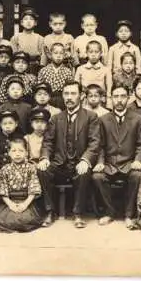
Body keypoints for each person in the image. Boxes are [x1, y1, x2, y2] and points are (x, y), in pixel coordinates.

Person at [37, 80, 100, 229]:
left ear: (81, 96)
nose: (69, 97)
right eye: (66, 94)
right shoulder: (56, 118)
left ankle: (77, 213)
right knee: (42, 170)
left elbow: (94, 143)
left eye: (73, 93)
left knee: (84, 172)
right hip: (60, 163)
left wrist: (86, 160)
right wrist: (45, 157)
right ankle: (50, 211)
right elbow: (48, 142)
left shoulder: (91, 116)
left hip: (79, 163)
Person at [92, 84, 141, 229]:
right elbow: (100, 145)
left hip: (129, 163)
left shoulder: (138, 119)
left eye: (123, 96)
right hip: (110, 164)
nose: (119, 100)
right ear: (110, 99)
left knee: (137, 175)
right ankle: (110, 212)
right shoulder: (103, 119)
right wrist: (100, 162)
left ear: (129, 97)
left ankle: (129, 215)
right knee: (97, 176)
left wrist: (138, 161)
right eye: (115, 96)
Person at [0, 137, 44, 233]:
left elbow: (34, 188)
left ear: (26, 153)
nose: (17, 154)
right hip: (10, 201)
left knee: (25, 219)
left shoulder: (31, 168)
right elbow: (2, 189)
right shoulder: (5, 169)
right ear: (9, 153)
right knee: (8, 219)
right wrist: (11, 204)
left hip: (26, 200)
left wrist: (25, 204)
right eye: (13, 151)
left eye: (21, 151)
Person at [74, 40, 112, 107]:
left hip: (101, 101)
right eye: (91, 52)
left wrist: (108, 101)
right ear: (86, 53)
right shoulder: (80, 69)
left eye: (96, 52)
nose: (93, 54)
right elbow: (76, 87)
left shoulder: (106, 70)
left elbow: (109, 87)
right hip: (84, 102)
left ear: (101, 53)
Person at [37, 43, 74, 110]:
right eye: (55, 53)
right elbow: (39, 88)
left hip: (62, 100)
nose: (58, 56)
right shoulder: (43, 70)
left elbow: (69, 87)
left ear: (64, 55)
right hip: (47, 99)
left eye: (61, 53)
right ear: (50, 55)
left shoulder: (67, 71)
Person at [10, 7, 44, 74]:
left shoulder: (40, 38)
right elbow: (13, 54)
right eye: (25, 19)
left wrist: (41, 68)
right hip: (20, 66)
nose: (28, 21)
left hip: (35, 67)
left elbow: (42, 56)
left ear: (35, 23)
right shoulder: (16, 37)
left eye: (31, 19)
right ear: (21, 23)